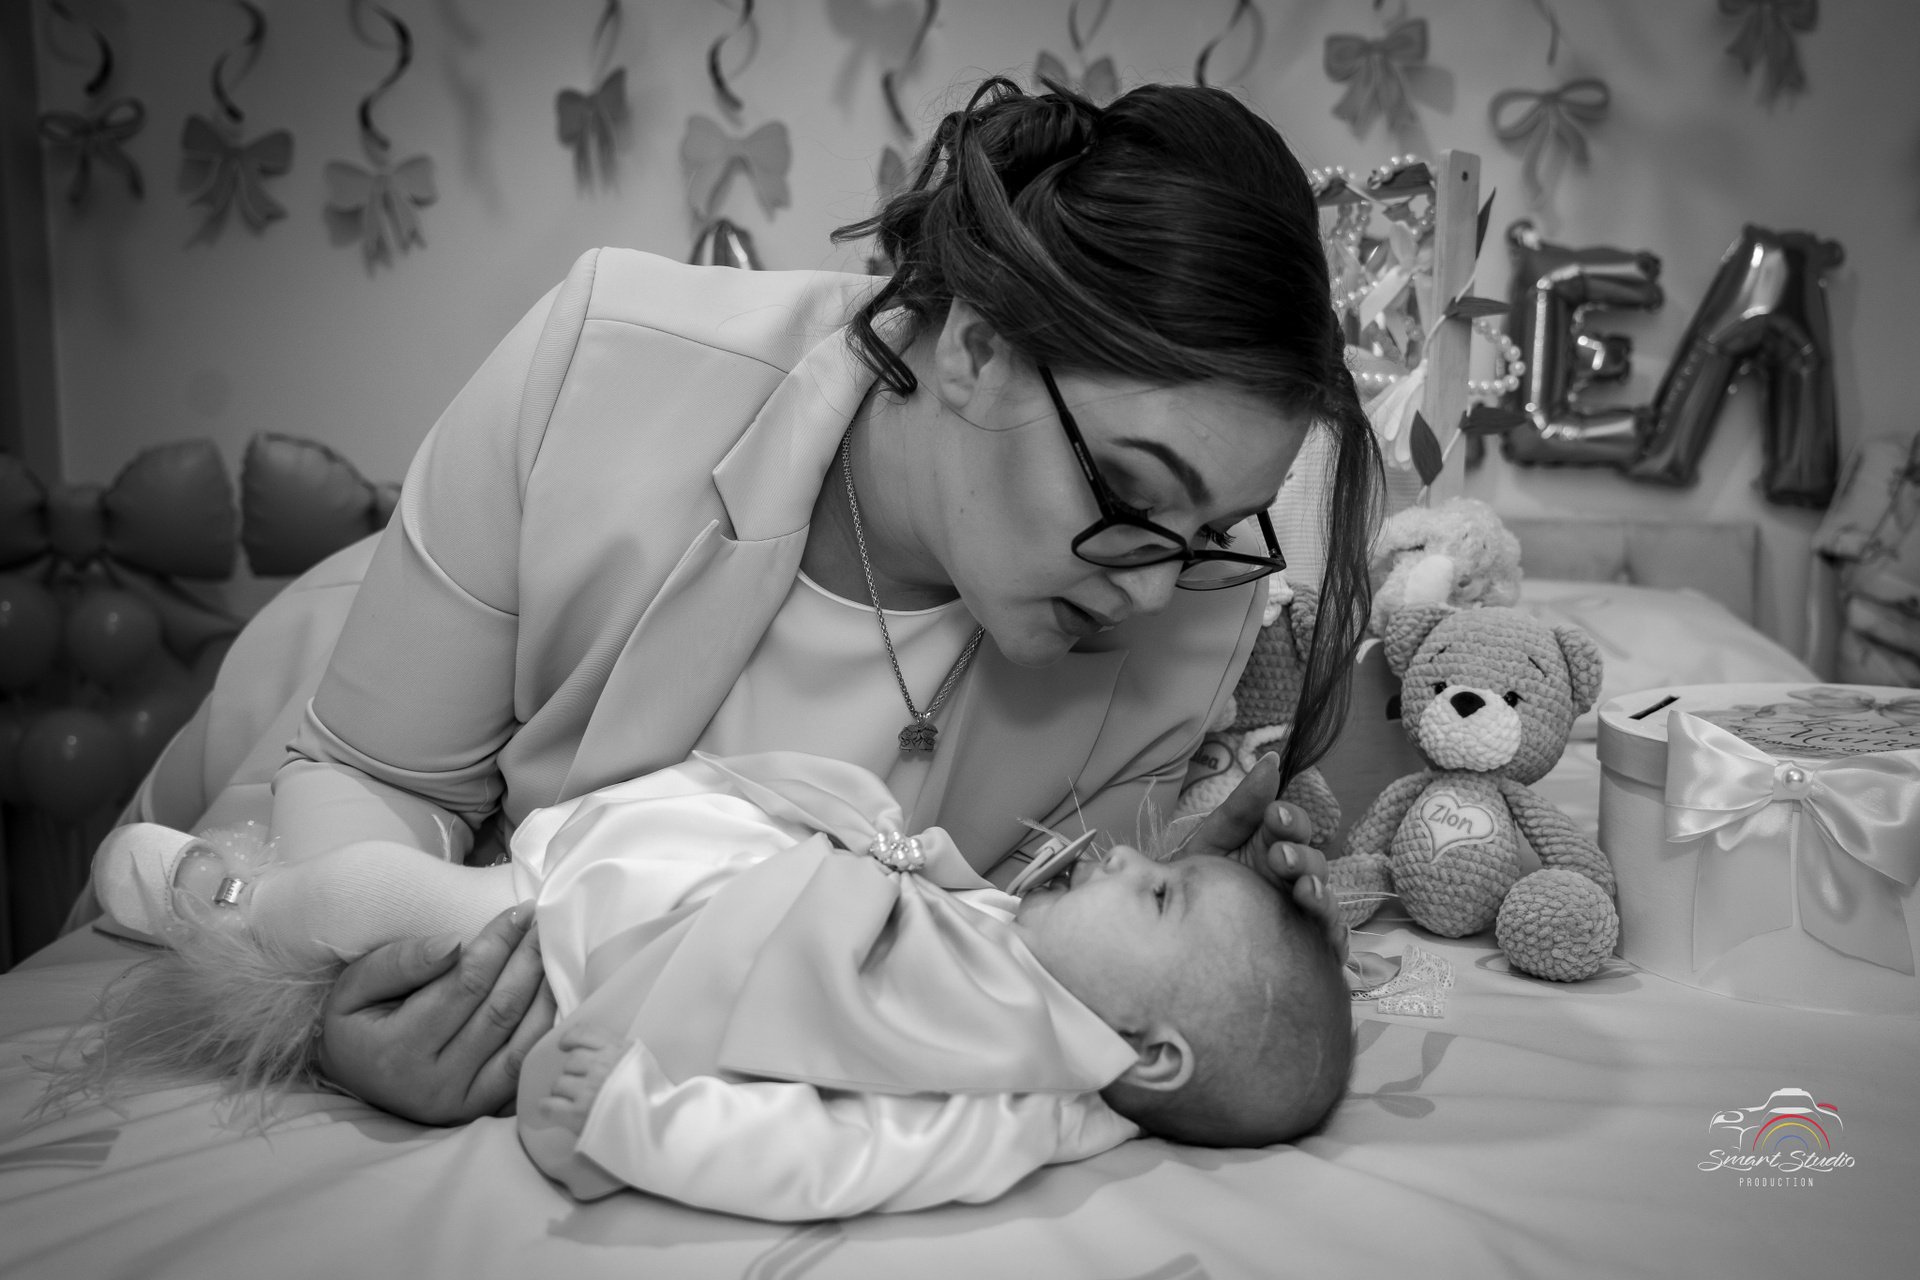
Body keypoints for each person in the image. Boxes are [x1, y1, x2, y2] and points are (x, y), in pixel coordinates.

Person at [96, 77, 1378, 1125]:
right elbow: (380, 774)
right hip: (330, 694)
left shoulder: (1194, 610)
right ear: (979, 345)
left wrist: (1215, 891)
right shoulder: (604, 364)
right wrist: (342, 1009)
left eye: (1214, 531)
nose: (1154, 584)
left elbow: (1047, 964)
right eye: (1133, 492)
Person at [83, 749, 1352, 1219]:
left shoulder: (1018, 1096)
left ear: (1153, 1053)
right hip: (656, 877)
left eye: (1160, 894)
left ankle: (219, 901)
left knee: (369, 894)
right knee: (399, 878)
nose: (1126, 857)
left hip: (590, 955)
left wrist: (634, 1116)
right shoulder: (1026, 956)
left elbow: (826, 1156)